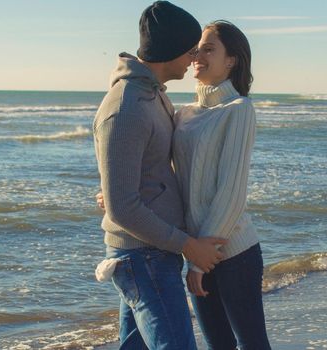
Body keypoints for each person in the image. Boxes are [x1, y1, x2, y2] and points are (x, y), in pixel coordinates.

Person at [93, 2, 227, 349]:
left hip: (151, 253)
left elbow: (135, 175)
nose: (193, 56)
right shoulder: (127, 108)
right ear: (170, 49)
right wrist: (189, 246)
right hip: (143, 257)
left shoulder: (152, 96)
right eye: (190, 48)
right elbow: (122, 207)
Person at [173, 20, 272, 350]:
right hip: (196, 251)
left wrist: (200, 261)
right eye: (197, 49)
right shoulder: (182, 114)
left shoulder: (239, 110)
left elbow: (231, 193)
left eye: (209, 48)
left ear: (231, 60)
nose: (198, 55)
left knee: (253, 345)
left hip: (235, 254)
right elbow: (162, 171)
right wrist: (114, 189)